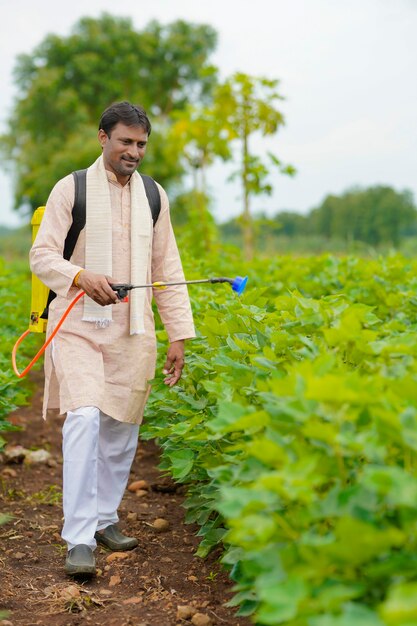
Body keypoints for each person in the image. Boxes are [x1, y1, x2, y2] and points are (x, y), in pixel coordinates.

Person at [30, 101, 196, 576]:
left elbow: (167, 268)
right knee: (83, 418)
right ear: (103, 138)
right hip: (77, 324)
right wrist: (80, 275)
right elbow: (42, 257)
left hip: (134, 329)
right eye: (125, 141)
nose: (134, 151)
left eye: (141, 144)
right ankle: (78, 538)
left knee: (122, 429)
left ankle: (105, 519)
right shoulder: (71, 188)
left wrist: (178, 333)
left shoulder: (154, 195)